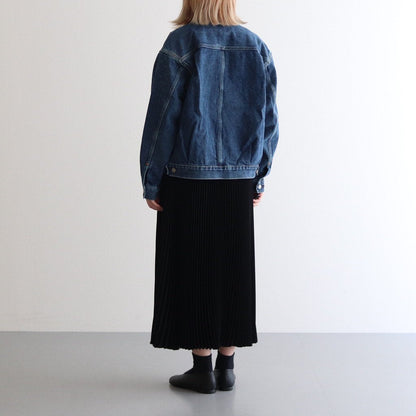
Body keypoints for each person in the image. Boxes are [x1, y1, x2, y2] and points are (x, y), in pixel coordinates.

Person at [139, 0, 279, 394]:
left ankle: (201, 369)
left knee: (193, 267)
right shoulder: (255, 45)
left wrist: (151, 179)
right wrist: (259, 175)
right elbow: (269, 119)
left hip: (186, 176)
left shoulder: (181, 43)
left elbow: (163, 116)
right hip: (239, 178)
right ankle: (227, 367)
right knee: (232, 268)